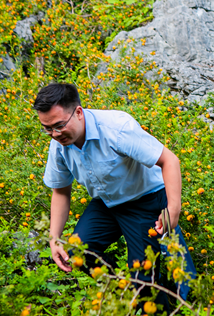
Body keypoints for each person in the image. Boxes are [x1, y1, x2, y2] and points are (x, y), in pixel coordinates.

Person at [34, 83, 182, 303]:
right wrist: (54, 238)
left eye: (59, 125)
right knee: (77, 253)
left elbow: (169, 160)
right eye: (47, 128)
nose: (55, 134)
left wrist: (173, 209)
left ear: (78, 112)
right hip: (106, 202)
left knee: (144, 279)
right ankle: (123, 291)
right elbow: (61, 191)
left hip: (144, 200)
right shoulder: (59, 144)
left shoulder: (116, 128)